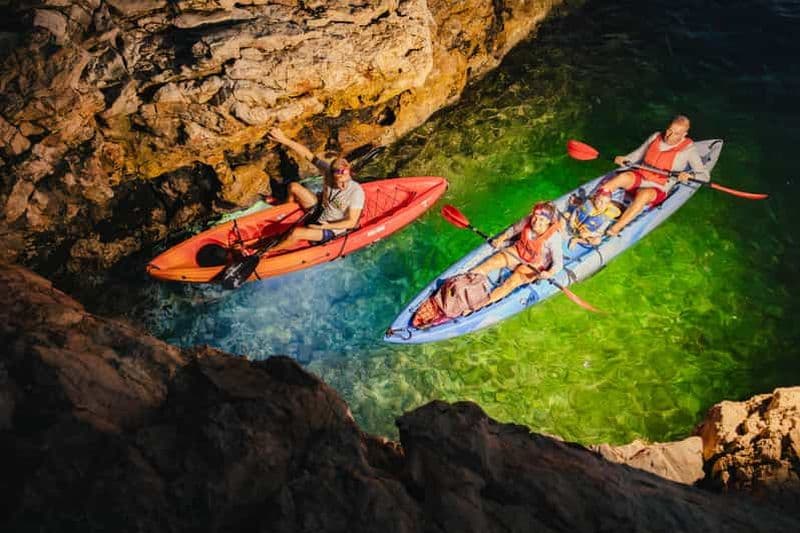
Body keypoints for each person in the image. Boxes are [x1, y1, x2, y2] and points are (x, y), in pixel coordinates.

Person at [601, 115, 709, 236]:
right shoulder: (655, 137)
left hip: (658, 187)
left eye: (676, 134)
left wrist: (690, 175)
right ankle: (596, 205)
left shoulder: (689, 150)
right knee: (623, 177)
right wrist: (624, 158)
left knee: (643, 194)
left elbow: (704, 176)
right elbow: (637, 155)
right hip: (640, 176)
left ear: (684, 134)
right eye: (669, 130)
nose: (669, 136)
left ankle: (615, 228)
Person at [266, 127, 365, 252]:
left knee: (295, 233)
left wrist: (327, 225)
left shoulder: (356, 192)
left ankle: (270, 252)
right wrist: (283, 139)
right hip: (319, 210)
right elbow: (308, 155)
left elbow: (351, 222)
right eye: (338, 181)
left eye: (345, 179)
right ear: (332, 174)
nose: (341, 185)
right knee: (294, 186)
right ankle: (286, 208)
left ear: (349, 172)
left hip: (330, 227)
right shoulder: (328, 172)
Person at [471, 201, 564, 305]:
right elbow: (514, 230)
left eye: (541, 219)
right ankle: (469, 277)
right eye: (535, 217)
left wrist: (549, 273)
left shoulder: (554, 238)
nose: (536, 222)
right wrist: (501, 238)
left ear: (548, 221)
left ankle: (481, 304)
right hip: (519, 250)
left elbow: (559, 263)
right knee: (493, 262)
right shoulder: (528, 220)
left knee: (511, 282)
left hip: (535, 264)